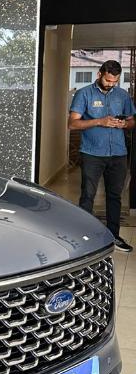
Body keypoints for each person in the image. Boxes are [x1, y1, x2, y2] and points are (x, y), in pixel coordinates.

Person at [69, 59, 135, 252]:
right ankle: (84, 238)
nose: (111, 84)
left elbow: (132, 121)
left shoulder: (122, 95)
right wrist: (100, 121)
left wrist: (125, 124)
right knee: (88, 196)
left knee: (114, 196)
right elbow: (72, 124)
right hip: (92, 154)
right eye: (108, 80)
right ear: (99, 74)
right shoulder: (84, 94)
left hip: (118, 153)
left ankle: (114, 237)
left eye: (115, 81)